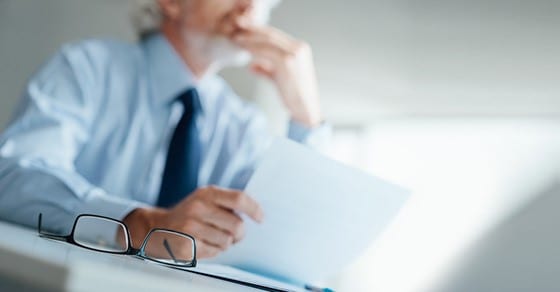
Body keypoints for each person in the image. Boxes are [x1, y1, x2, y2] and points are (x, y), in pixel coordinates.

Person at [0, 0, 330, 258]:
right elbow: (13, 178)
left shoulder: (244, 127)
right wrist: (140, 225)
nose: (250, 7)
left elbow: (292, 241)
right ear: (170, 1)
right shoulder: (85, 68)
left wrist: (306, 116)